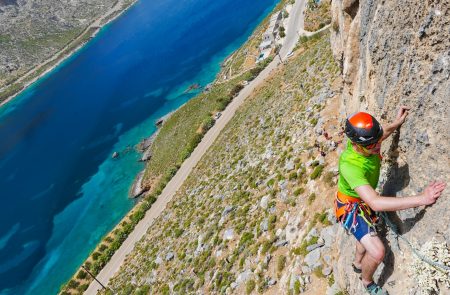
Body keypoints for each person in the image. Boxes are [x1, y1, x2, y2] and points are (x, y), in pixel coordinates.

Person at [335, 107, 446, 295]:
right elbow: (375, 203)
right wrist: (422, 198)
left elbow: (381, 134)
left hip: (361, 202)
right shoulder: (349, 165)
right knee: (377, 251)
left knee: (363, 238)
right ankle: (367, 281)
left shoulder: (367, 142)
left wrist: (396, 123)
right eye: (371, 145)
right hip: (350, 206)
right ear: (356, 145)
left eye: (376, 141)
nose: (378, 146)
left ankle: (356, 263)